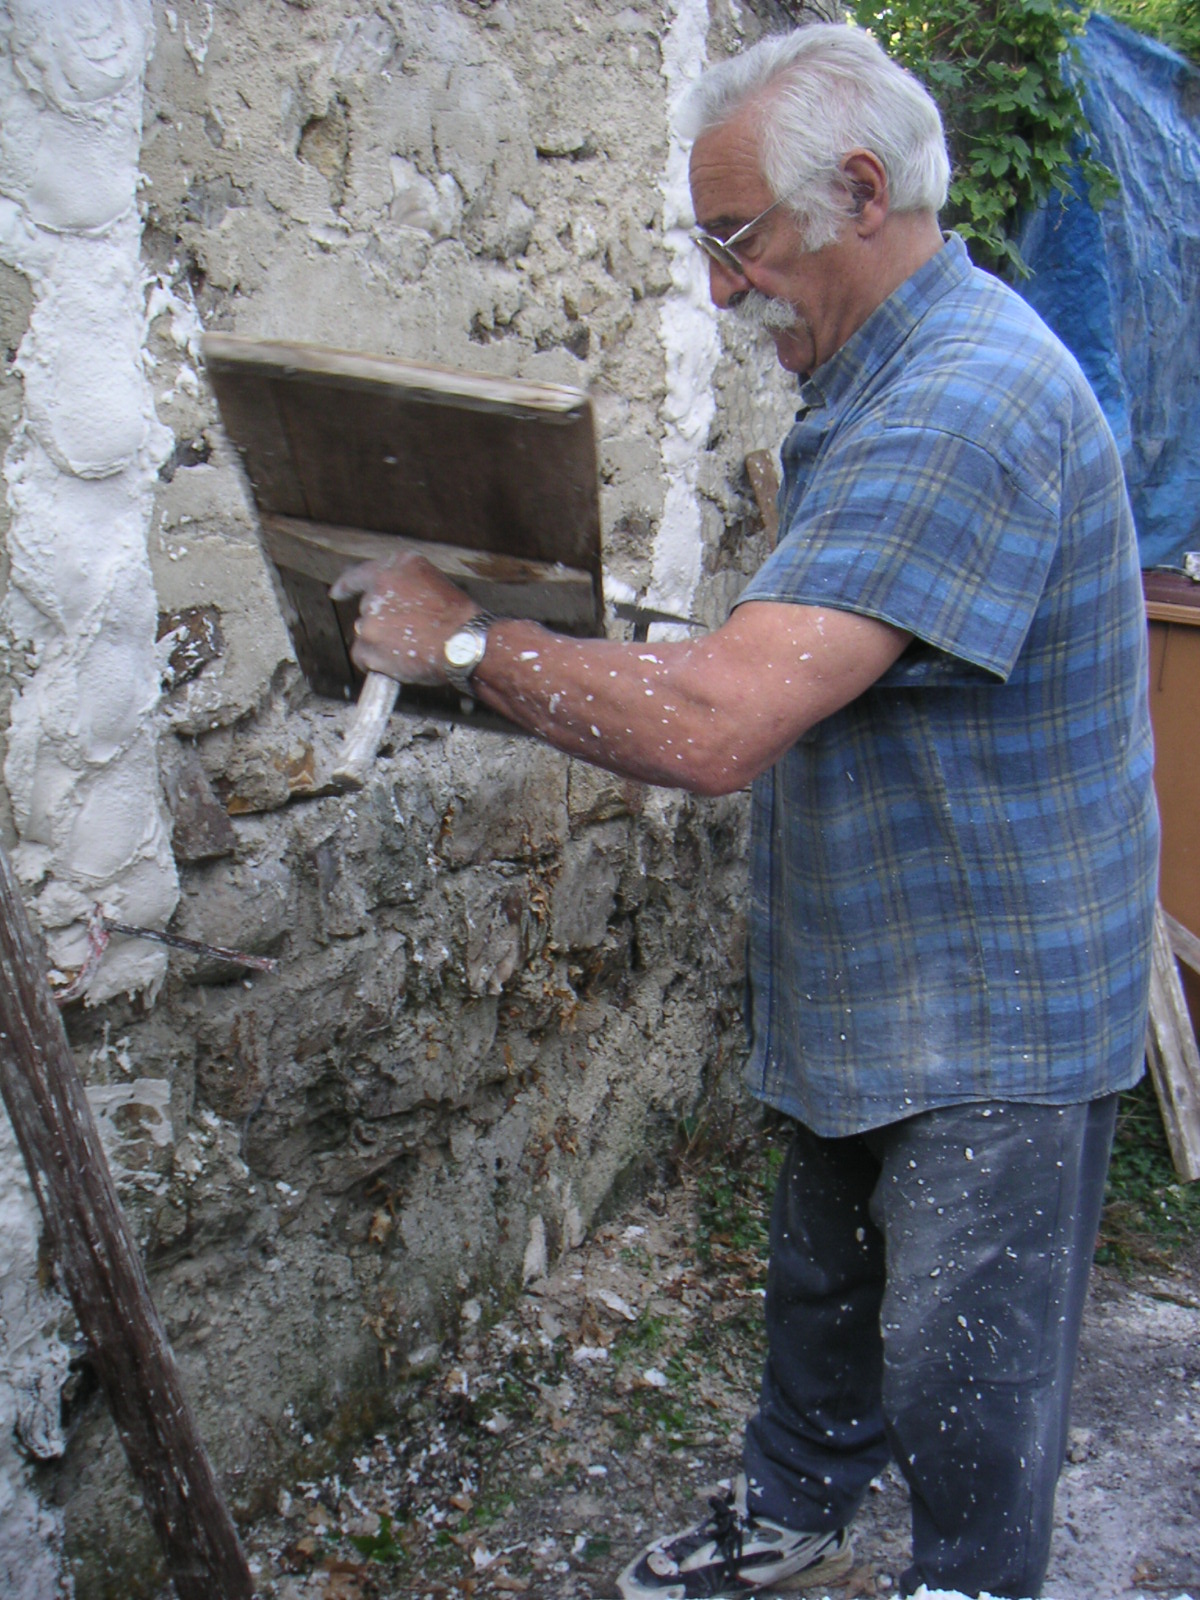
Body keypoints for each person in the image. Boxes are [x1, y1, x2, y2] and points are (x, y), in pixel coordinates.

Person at [331, 23, 1158, 1600]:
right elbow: (806, 653)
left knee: (966, 1366)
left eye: (737, 241)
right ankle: (796, 1503)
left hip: (996, 1000)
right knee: (825, 1284)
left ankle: (967, 1580)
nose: (720, 291)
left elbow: (720, 726)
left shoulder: (965, 403)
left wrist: (466, 642)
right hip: (881, 954)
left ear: (862, 192)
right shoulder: (878, 371)